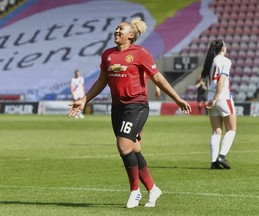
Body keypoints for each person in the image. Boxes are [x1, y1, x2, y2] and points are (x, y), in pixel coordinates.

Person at [67, 17, 191, 208]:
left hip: (137, 106)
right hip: (117, 108)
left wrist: (177, 98)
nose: (117, 31)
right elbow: (101, 81)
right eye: (116, 29)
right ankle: (152, 188)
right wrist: (84, 100)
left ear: (131, 35)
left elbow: (157, 77)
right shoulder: (107, 54)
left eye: (121, 29)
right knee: (134, 149)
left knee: (124, 146)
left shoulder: (141, 53)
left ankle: (135, 191)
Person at [200, 40, 237, 170]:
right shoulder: (225, 61)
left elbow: (205, 79)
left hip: (210, 97)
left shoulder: (210, 61)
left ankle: (214, 162)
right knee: (232, 129)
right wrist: (216, 98)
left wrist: (212, 99)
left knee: (216, 132)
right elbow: (221, 81)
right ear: (223, 48)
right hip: (222, 97)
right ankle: (222, 156)